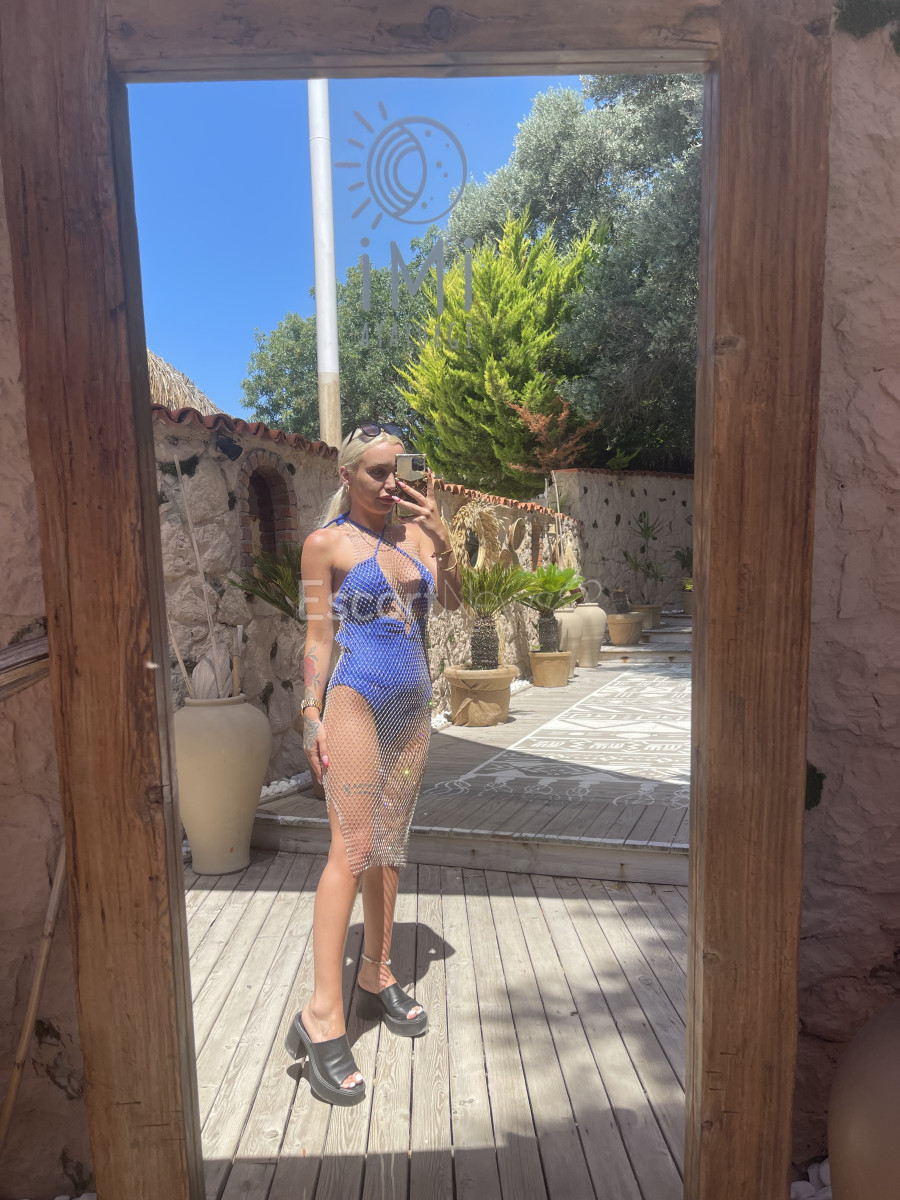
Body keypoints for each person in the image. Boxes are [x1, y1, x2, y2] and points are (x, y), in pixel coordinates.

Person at [284, 422, 462, 1106]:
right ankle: (321, 1013)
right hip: (355, 702)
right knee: (352, 850)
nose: (391, 484)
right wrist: (310, 711)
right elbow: (318, 635)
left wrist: (443, 538)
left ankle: (376, 973)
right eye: (377, 472)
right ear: (347, 475)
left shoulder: (418, 536)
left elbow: (454, 602)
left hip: (412, 710)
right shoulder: (324, 544)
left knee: (390, 847)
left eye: (399, 471)